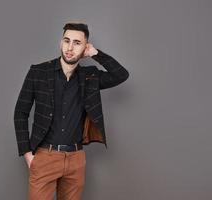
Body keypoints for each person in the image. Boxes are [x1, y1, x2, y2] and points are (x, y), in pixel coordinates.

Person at [14, 21, 129, 200]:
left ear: (85, 47)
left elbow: (121, 75)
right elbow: (20, 112)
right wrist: (27, 154)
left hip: (76, 158)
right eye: (66, 41)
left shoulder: (89, 76)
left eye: (77, 43)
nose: (70, 47)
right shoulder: (39, 72)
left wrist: (96, 54)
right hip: (45, 156)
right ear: (61, 42)